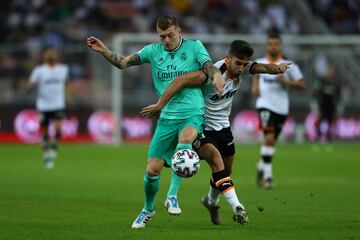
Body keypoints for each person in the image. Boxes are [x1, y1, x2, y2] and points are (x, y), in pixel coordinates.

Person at [87, 15, 225, 228]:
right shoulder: (153, 51)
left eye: (170, 35)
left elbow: (208, 66)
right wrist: (105, 50)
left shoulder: (194, 47)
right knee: (152, 171)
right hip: (166, 118)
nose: (167, 40)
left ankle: (172, 196)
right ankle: (148, 210)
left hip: (192, 112)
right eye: (162, 36)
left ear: (179, 30)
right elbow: (124, 63)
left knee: (185, 142)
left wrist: (216, 75)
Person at [141, 40, 290, 224]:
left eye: (245, 64)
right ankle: (238, 207)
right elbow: (181, 80)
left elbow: (263, 68)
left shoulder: (243, 68)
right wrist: (161, 105)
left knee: (226, 171)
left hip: (223, 127)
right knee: (216, 162)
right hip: (202, 127)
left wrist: (278, 68)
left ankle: (211, 201)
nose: (241, 68)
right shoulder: (211, 73)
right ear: (228, 59)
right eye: (238, 64)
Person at [251, 33, 305, 189]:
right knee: (268, 138)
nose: (273, 46)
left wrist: (286, 82)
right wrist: (255, 87)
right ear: (267, 45)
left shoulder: (289, 65)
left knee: (271, 141)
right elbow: (255, 76)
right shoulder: (260, 63)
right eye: (270, 44)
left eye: (275, 44)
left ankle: (261, 166)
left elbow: (302, 85)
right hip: (264, 105)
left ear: (280, 45)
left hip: (281, 108)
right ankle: (268, 177)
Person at [27, 48, 69, 169]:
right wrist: (31, 85)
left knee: (58, 129)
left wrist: (69, 97)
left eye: (53, 54)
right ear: (45, 57)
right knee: (44, 133)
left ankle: (54, 146)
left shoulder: (63, 69)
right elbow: (30, 84)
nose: (51, 56)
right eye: (49, 55)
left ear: (57, 57)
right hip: (43, 105)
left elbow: (66, 84)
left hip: (58, 104)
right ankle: (46, 156)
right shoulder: (39, 70)